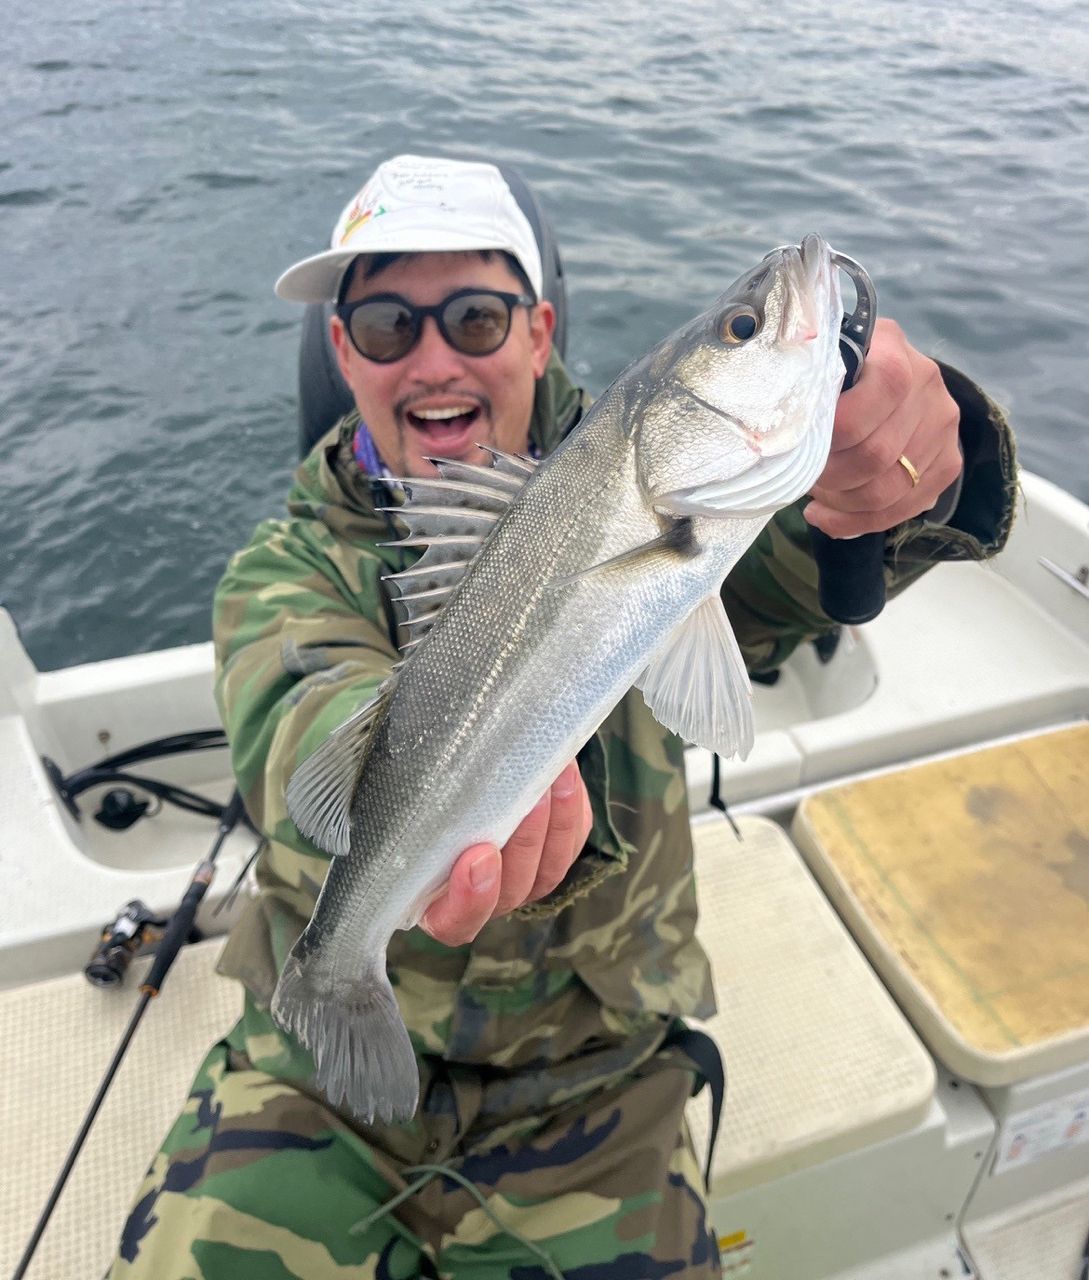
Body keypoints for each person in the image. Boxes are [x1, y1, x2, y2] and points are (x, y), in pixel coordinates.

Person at [109, 154, 1016, 1279]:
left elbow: (800, 563)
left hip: (600, 1070)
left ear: (540, 333)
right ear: (343, 353)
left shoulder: (672, 498)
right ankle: (338, 981)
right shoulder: (279, 568)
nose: (434, 358)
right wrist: (432, 786)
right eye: (388, 325)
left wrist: (904, 470)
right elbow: (306, 720)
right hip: (309, 1086)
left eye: (476, 317)